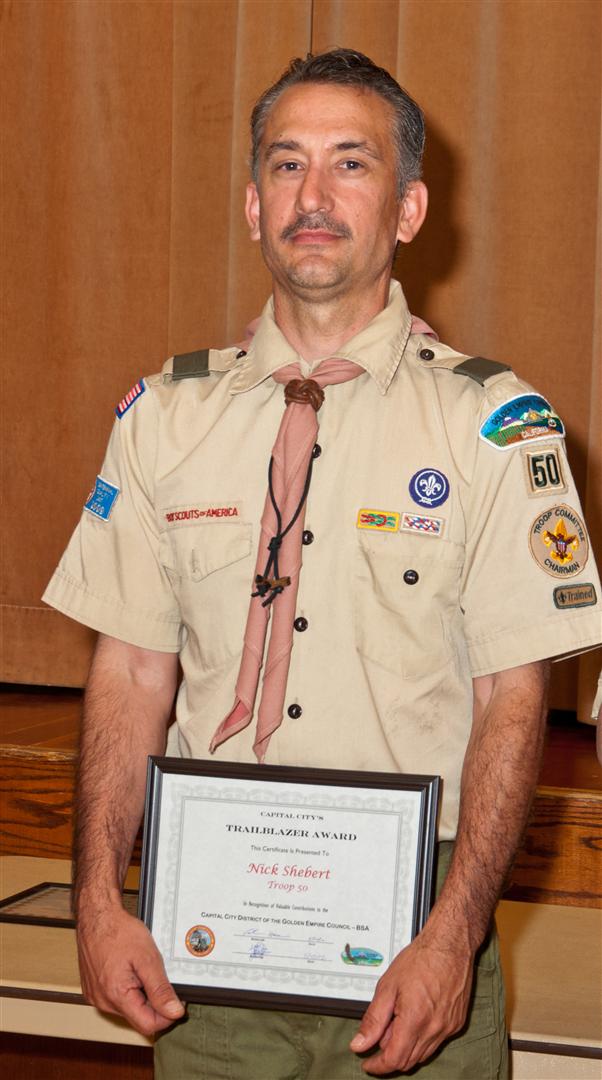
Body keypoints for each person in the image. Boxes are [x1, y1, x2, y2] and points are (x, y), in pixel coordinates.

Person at [43, 48, 602, 1079]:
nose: (313, 195)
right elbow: (129, 674)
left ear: (407, 209)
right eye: (286, 163)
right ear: (253, 204)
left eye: (351, 163)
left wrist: (452, 939)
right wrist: (96, 900)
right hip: (204, 947)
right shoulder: (164, 417)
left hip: (416, 935)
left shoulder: (491, 427)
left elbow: (512, 698)